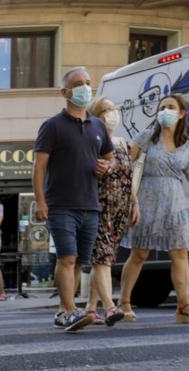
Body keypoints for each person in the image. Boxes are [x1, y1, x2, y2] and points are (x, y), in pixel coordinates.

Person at [117, 93, 189, 324]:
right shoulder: (146, 138)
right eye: (162, 107)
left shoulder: (187, 146)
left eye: (170, 107)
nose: (165, 111)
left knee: (180, 252)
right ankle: (124, 303)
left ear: (182, 114)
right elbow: (126, 167)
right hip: (147, 199)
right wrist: (129, 198)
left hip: (175, 203)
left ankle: (184, 307)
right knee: (139, 253)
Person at [33, 66, 115, 330]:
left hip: (90, 205)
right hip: (60, 205)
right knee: (66, 258)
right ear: (65, 92)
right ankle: (70, 310)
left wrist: (107, 166)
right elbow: (39, 166)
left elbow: (109, 157)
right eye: (78, 84)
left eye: (88, 82)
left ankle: (62, 311)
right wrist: (41, 202)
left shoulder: (98, 125)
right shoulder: (52, 126)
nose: (85, 88)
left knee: (80, 261)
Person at [69, 96, 139, 330]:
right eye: (104, 111)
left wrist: (134, 203)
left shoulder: (122, 143)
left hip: (119, 208)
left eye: (112, 109)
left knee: (106, 257)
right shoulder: (92, 141)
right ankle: (110, 307)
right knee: (102, 257)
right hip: (98, 206)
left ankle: (91, 307)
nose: (111, 114)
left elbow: (128, 177)